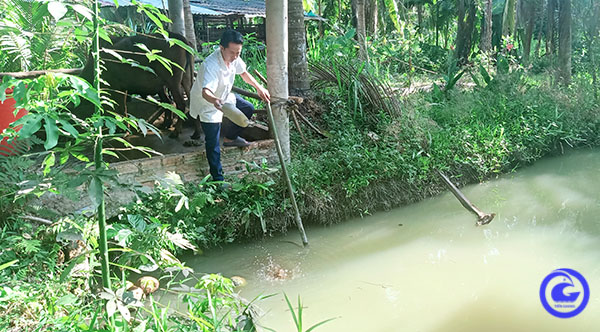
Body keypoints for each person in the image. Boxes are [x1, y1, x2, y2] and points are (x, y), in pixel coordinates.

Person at [189, 30, 270, 182]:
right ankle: (218, 179)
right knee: (212, 142)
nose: (235, 57)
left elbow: (244, 73)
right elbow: (206, 91)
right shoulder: (210, 65)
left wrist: (259, 88)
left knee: (247, 108)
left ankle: (230, 137)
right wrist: (215, 101)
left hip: (224, 96)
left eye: (238, 53)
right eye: (232, 53)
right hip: (207, 103)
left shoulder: (234, 57)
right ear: (222, 48)